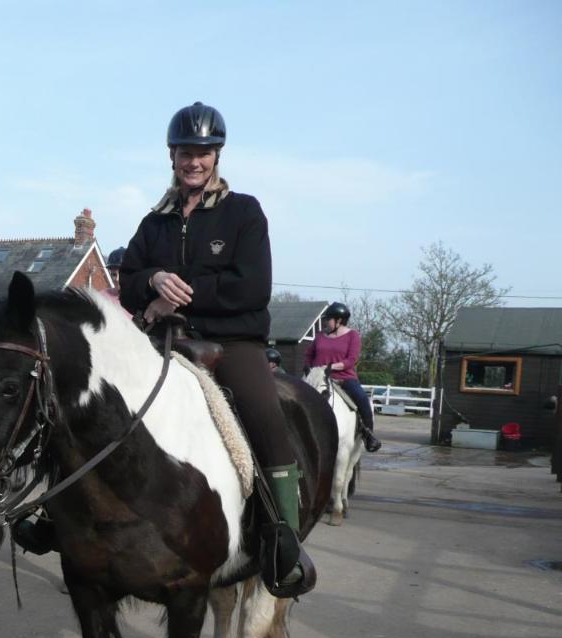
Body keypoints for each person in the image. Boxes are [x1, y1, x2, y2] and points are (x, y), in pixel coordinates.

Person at [118, 101, 312, 597]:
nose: (194, 162)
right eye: (186, 152)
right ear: (172, 156)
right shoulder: (153, 222)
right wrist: (153, 279)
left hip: (232, 344)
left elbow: (252, 289)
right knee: (101, 400)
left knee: (265, 415)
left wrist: (182, 293)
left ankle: (283, 540)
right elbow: (128, 285)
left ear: (217, 155)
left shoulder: (244, 212)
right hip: (165, 341)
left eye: (203, 152)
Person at [304, 302, 382, 452]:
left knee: (362, 399)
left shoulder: (353, 336)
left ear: (339, 321)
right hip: (318, 378)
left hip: (344, 377)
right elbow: (309, 354)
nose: (325, 322)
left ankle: (368, 435)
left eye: (328, 319)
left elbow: (351, 360)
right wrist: (309, 368)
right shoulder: (320, 336)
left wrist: (331, 367)